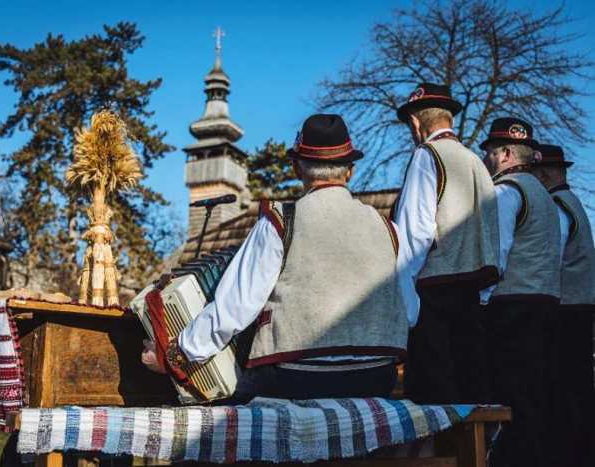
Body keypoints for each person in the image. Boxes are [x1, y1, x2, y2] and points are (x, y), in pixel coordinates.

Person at [142, 114, 419, 402]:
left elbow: (234, 308)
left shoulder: (280, 223)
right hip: (376, 379)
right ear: (350, 171)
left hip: (297, 377)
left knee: (220, 401)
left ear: (297, 168)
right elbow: (411, 312)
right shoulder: (389, 230)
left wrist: (176, 353)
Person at [392, 83, 499, 405]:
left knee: (431, 390)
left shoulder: (428, 155)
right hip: (471, 292)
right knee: (469, 384)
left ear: (415, 122)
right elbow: (491, 232)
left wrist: (404, 296)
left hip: (432, 292)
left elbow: (416, 233)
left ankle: (437, 454)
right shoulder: (476, 162)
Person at [479, 118, 561, 467]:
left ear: (508, 153)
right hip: (545, 304)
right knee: (533, 397)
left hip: (510, 309)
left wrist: (480, 302)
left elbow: (495, 255)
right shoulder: (544, 195)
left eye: (489, 154)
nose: (485, 161)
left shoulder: (505, 191)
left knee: (507, 400)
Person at [531, 144, 595, 467]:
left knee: (563, 394)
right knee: (579, 393)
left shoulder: (556, 207)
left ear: (542, 173)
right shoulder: (575, 204)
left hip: (565, 316)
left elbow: (549, 260)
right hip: (581, 312)